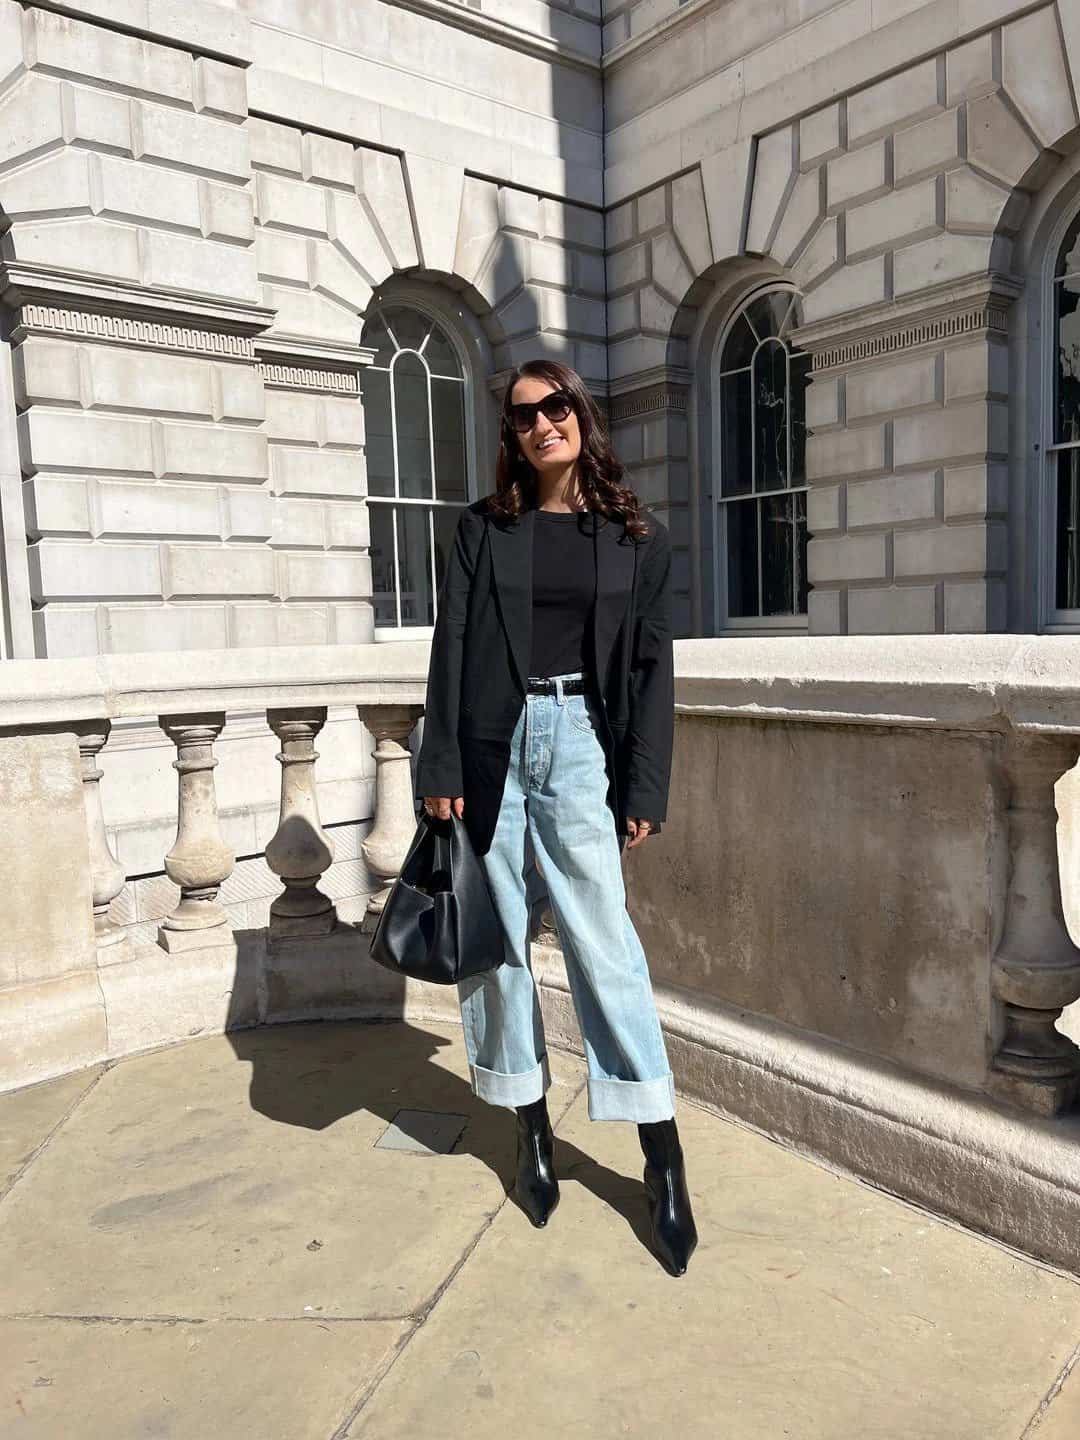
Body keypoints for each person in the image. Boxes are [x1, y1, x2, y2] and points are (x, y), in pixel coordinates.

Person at [416, 360, 697, 1276]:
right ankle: (530, 1127)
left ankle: (661, 1151)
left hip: (580, 743)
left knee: (603, 943)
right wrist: (440, 763)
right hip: (491, 744)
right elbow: (452, 647)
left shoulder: (637, 537)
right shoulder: (483, 529)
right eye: (523, 415)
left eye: (556, 406)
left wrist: (645, 786)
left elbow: (651, 668)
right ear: (511, 434)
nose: (542, 424)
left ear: (582, 413)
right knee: (498, 945)